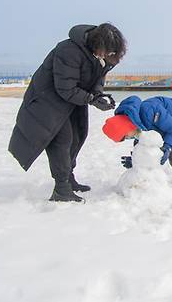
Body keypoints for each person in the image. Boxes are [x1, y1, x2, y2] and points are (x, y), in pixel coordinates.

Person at [8, 23, 127, 202]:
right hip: (48, 101)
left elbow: (98, 78)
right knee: (62, 141)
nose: (108, 56)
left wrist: (97, 94)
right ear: (98, 44)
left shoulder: (100, 54)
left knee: (79, 136)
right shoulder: (68, 50)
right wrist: (92, 100)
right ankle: (61, 188)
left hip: (72, 101)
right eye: (108, 53)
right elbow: (65, 88)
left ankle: (68, 178)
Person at [102, 96, 172, 180]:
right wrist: (136, 160)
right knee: (143, 142)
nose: (128, 138)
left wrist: (167, 147)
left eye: (126, 136)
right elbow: (141, 143)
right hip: (162, 121)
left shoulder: (149, 111)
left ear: (125, 127)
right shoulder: (133, 119)